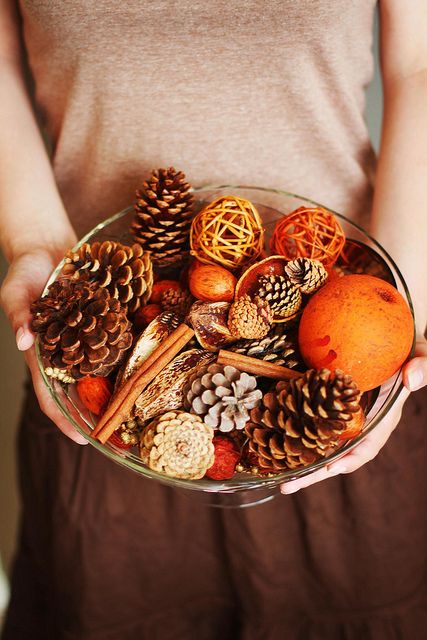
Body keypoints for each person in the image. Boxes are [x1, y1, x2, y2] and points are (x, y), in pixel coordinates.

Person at [1, 0, 426, 638]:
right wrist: (33, 237)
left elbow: (419, 65)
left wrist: (405, 293)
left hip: (339, 388)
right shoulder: (104, 362)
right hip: (108, 375)